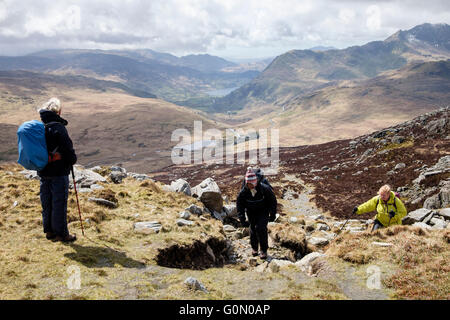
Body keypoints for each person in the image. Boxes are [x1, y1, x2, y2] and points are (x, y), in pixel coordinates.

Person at [37, 98, 78, 242]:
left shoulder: (41, 127)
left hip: (43, 171)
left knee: (47, 202)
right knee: (59, 202)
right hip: (59, 172)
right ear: (58, 111)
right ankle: (62, 234)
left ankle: (49, 231)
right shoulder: (58, 127)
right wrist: (72, 159)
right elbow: (68, 151)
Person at [237, 167, 277, 259]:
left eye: (251, 184)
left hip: (263, 210)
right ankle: (254, 248)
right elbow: (240, 205)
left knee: (261, 228)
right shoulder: (243, 192)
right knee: (253, 228)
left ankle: (263, 250)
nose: (249, 186)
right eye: (247, 184)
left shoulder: (264, 188)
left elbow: (272, 201)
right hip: (251, 211)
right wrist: (242, 218)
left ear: (255, 182)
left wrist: (273, 214)